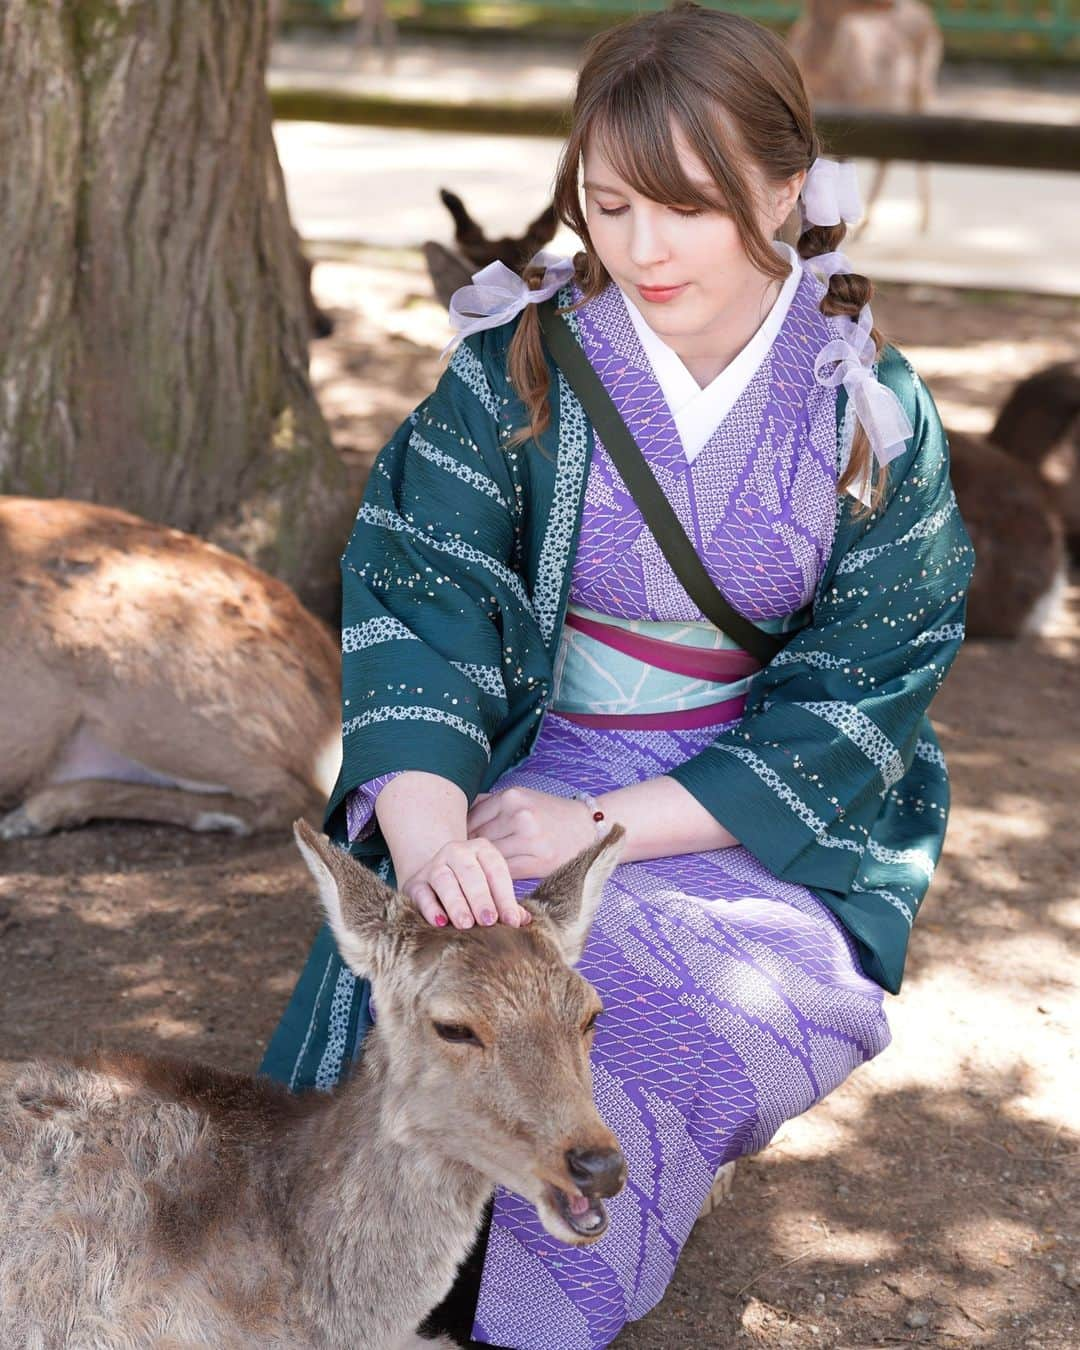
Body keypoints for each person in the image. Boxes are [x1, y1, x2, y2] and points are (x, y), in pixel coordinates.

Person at [261, 4, 974, 1346]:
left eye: (690, 209)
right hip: (535, 747)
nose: (641, 252)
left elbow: (866, 684)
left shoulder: (866, 405)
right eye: (609, 204)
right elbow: (424, 588)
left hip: (754, 808)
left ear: (786, 185)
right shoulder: (520, 358)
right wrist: (429, 841)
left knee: (639, 997)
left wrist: (604, 828)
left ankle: (528, 1309)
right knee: (460, 980)